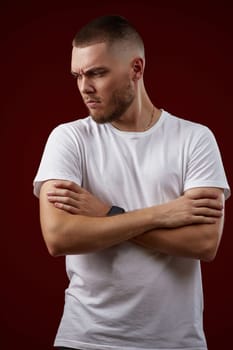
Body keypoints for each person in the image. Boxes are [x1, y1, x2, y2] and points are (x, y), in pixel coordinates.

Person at [33, 15, 230, 350]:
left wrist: (105, 214)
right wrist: (161, 215)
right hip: (86, 339)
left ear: (136, 69)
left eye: (97, 72)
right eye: (78, 75)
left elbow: (204, 243)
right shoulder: (68, 139)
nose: (85, 87)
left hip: (175, 342)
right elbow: (59, 236)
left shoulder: (195, 139)